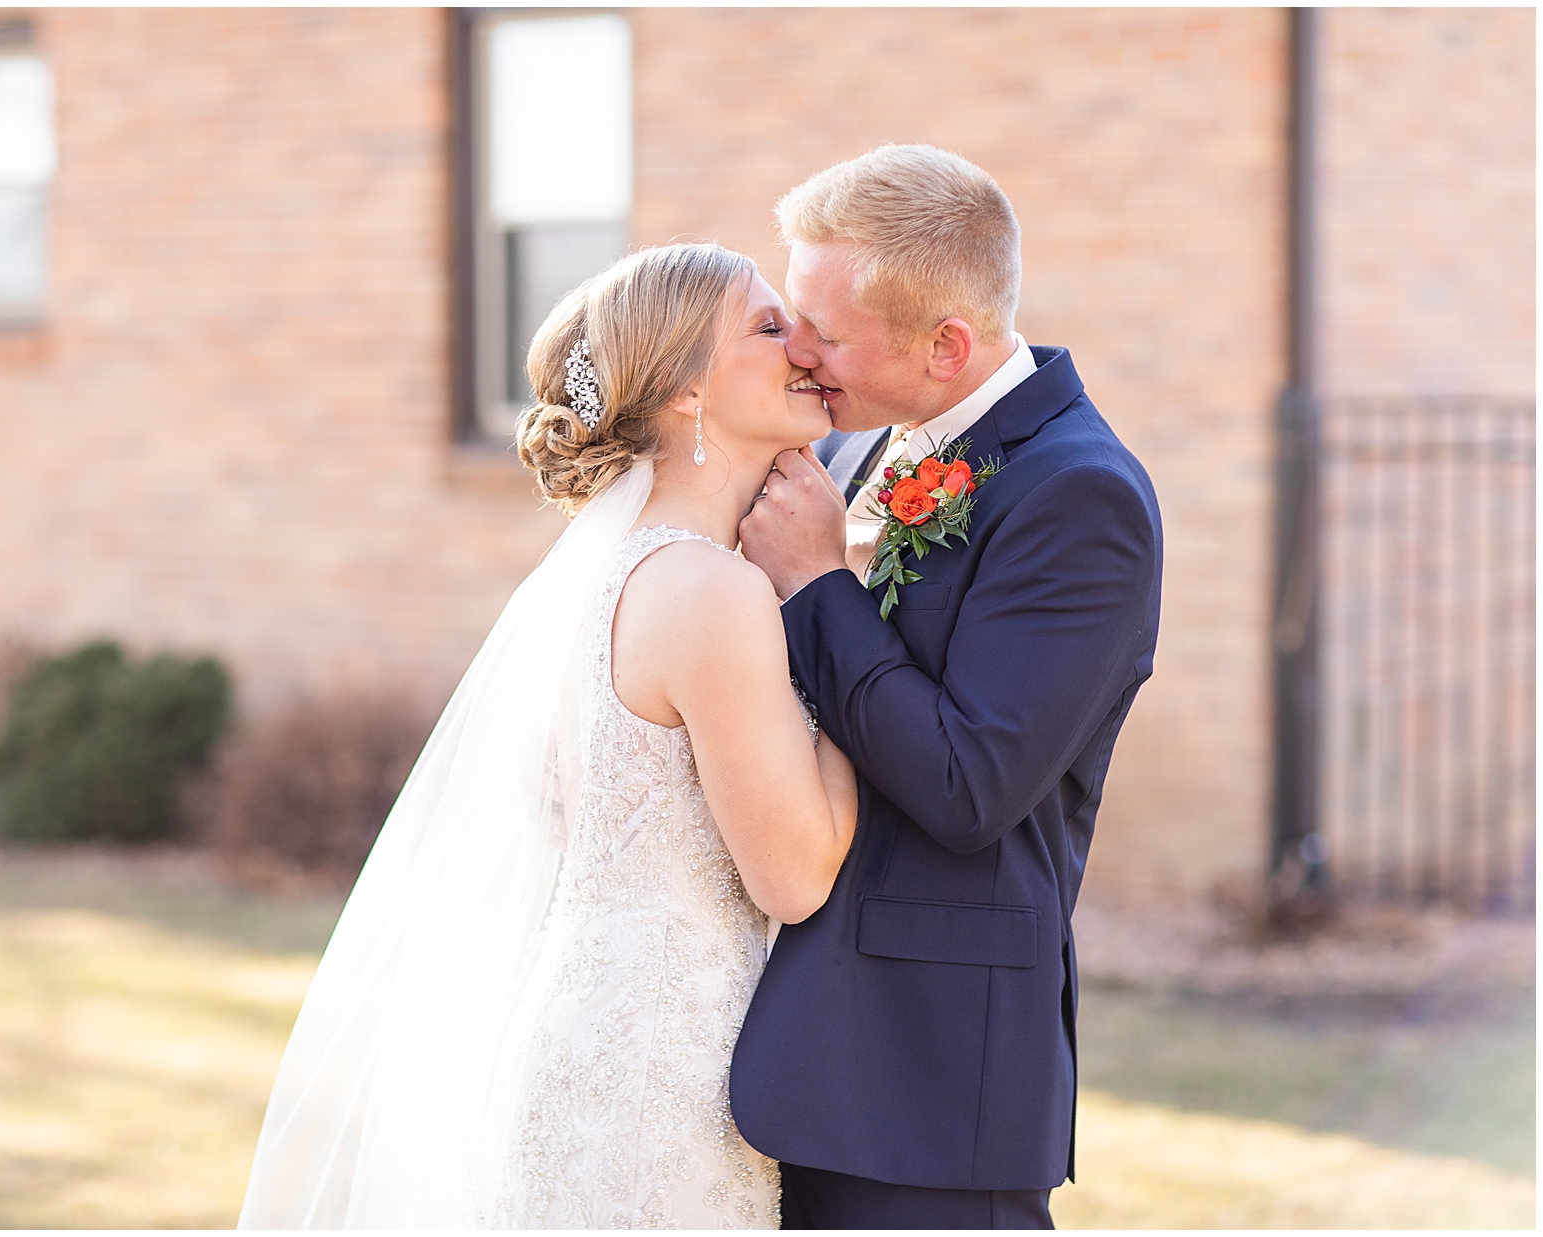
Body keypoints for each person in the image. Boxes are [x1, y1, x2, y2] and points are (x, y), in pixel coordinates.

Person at [237, 242, 859, 1229]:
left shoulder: (616, 576)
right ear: (686, 395)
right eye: (767, 325)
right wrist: (848, 614)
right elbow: (795, 876)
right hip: (662, 1079)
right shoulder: (709, 591)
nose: (807, 347)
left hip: (589, 1042)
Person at [732, 144, 1164, 1229]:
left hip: (924, 1075)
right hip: (786, 1033)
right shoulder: (847, 446)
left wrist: (821, 582)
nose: (800, 350)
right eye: (792, 317)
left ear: (946, 346)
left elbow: (971, 783)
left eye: (825, 333)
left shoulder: (1082, 498)